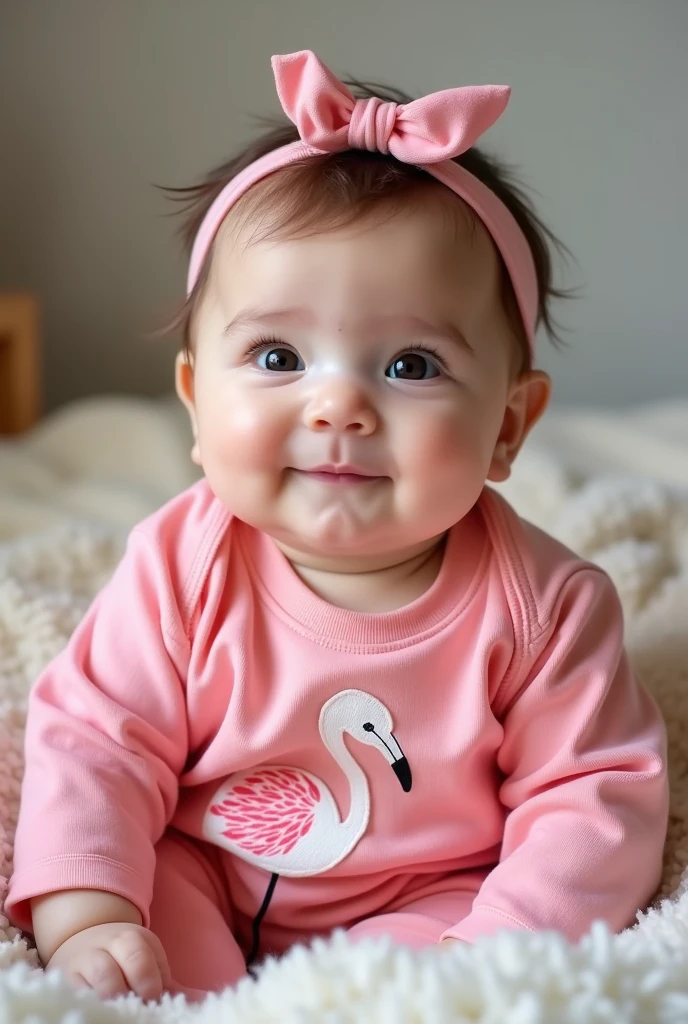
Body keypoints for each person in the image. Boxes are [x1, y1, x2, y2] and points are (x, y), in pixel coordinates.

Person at [6, 50, 668, 1003]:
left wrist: (500, 944)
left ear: (509, 426)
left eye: (409, 366)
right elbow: (95, 741)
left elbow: (595, 802)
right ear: (196, 403)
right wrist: (91, 907)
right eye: (278, 355)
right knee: (146, 951)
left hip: (437, 897)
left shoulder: (548, 612)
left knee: (418, 996)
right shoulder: (182, 567)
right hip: (209, 869)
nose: (337, 407)